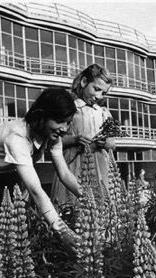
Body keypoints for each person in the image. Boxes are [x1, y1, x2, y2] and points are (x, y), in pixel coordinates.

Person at [0, 87, 82, 250]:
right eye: (59, 121)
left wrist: (89, 198)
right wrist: (63, 232)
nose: (64, 128)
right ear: (41, 116)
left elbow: (64, 174)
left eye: (68, 122)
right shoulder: (18, 138)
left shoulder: (53, 135)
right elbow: (35, 190)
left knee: (16, 221)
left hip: (8, 168)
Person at [50, 64, 115, 208]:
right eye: (96, 89)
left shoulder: (103, 112)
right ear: (84, 82)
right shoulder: (71, 108)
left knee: (102, 204)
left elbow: (113, 144)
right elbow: (53, 141)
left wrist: (105, 142)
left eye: (103, 93)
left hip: (100, 167)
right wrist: (74, 139)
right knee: (72, 205)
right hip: (73, 165)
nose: (99, 96)